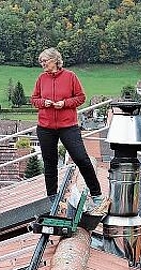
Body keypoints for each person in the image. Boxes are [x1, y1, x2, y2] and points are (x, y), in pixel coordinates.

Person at [30, 47, 102, 204]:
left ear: (55, 60)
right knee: (50, 163)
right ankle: (52, 198)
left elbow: (81, 97)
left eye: (45, 61)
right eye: (40, 61)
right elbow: (34, 99)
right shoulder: (41, 79)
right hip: (45, 127)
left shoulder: (70, 77)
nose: (42, 64)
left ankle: (96, 194)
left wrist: (64, 104)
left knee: (81, 158)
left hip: (68, 126)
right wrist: (44, 102)